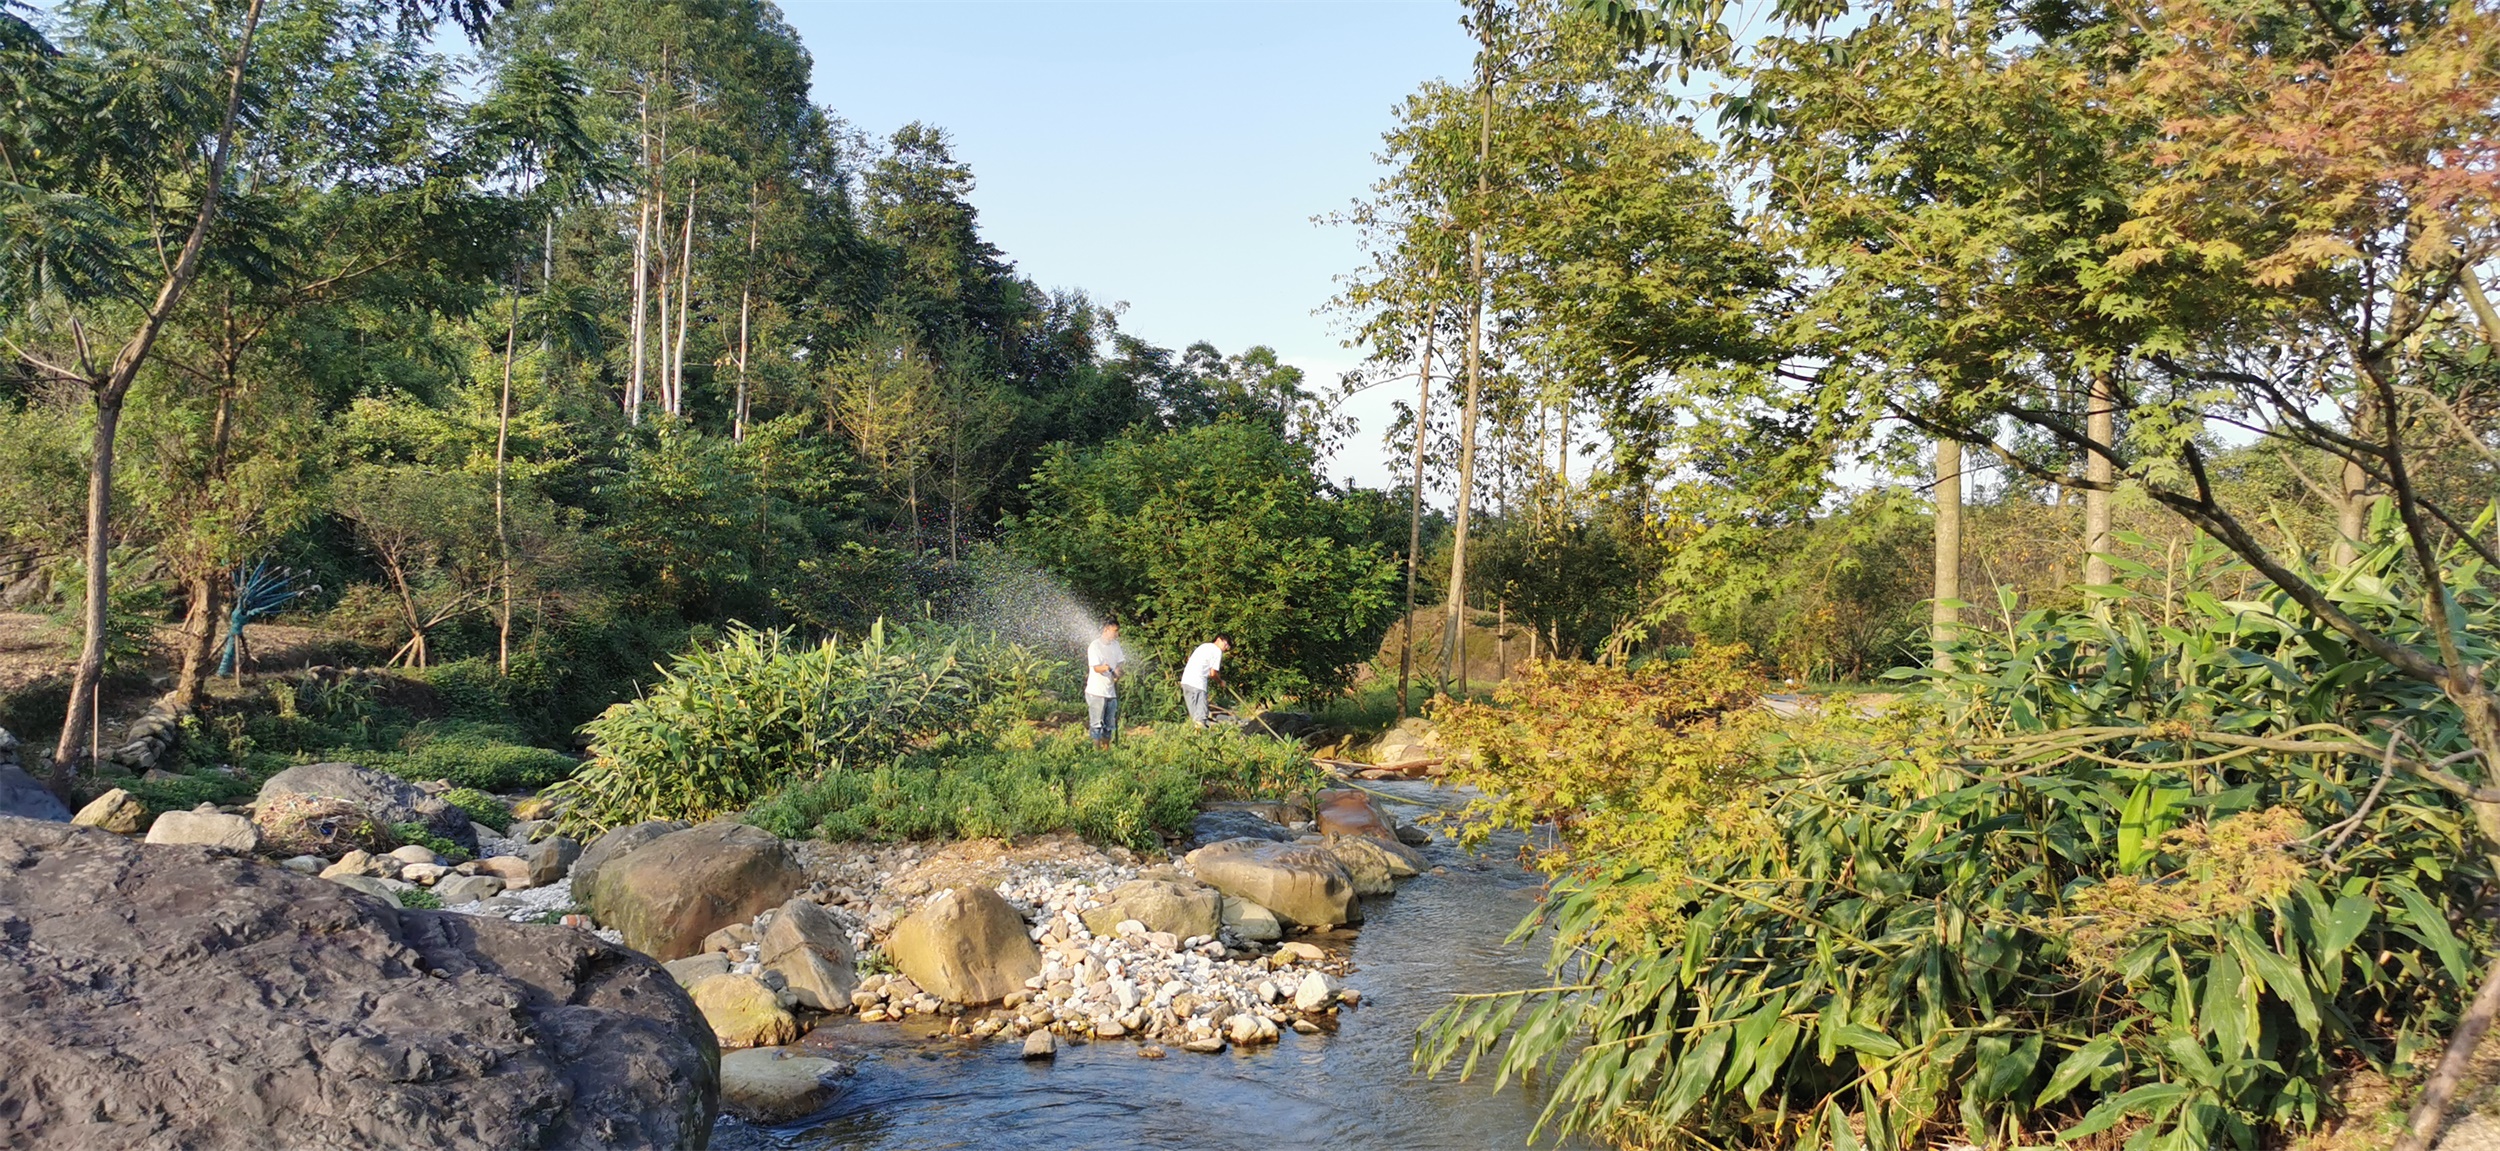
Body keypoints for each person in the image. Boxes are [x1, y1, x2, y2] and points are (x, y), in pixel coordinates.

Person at [1083, 621, 1127, 749]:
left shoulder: (1115, 645)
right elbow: (1096, 668)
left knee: (1109, 723)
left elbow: (1120, 662)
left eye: (1118, 631)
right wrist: (1106, 668)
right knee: (1097, 723)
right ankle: (1096, 751)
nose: (1117, 634)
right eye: (1115, 631)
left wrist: (1118, 670)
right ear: (1106, 630)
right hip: (1096, 691)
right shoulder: (1095, 646)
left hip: (1110, 691)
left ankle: (1106, 750)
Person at [1180, 635, 1230, 727]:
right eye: (1226, 644)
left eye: (1228, 646)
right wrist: (1221, 682)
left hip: (1186, 682)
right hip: (1198, 684)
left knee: (1195, 716)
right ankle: (1205, 736)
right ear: (1218, 639)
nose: (1226, 648)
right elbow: (1212, 673)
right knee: (1201, 718)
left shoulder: (1203, 646)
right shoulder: (1217, 651)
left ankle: (1197, 736)